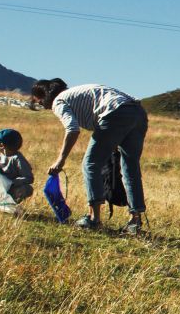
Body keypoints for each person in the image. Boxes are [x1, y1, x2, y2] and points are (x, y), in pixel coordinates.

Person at [31, 78, 148, 234]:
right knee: (130, 168)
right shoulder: (76, 93)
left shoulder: (59, 101)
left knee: (90, 164)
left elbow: (72, 129)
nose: (42, 106)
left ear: (44, 96)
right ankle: (135, 221)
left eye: (39, 103)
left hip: (115, 113)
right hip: (138, 112)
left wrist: (61, 160)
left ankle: (94, 219)